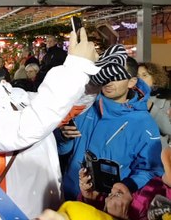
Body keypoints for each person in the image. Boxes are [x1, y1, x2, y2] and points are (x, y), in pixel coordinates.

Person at [0, 28, 100, 218]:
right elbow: (27, 127)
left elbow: (62, 109)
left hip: (53, 207)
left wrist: (92, 81)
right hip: (18, 212)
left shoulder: (17, 94)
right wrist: (76, 67)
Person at [58, 45, 163, 201]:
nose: (109, 81)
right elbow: (62, 151)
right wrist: (63, 137)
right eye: (107, 74)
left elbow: (150, 170)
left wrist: (125, 188)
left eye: (117, 76)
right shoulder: (86, 106)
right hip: (69, 195)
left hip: (105, 205)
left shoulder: (143, 124)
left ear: (131, 82)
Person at [138, 62, 171, 147]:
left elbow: (169, 129)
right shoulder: (129, 97)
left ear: (155, 78)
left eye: (144, 75)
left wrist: (151, 107)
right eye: (137, 76)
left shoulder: (166, 98)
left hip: (157, 151)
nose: (140, 79)